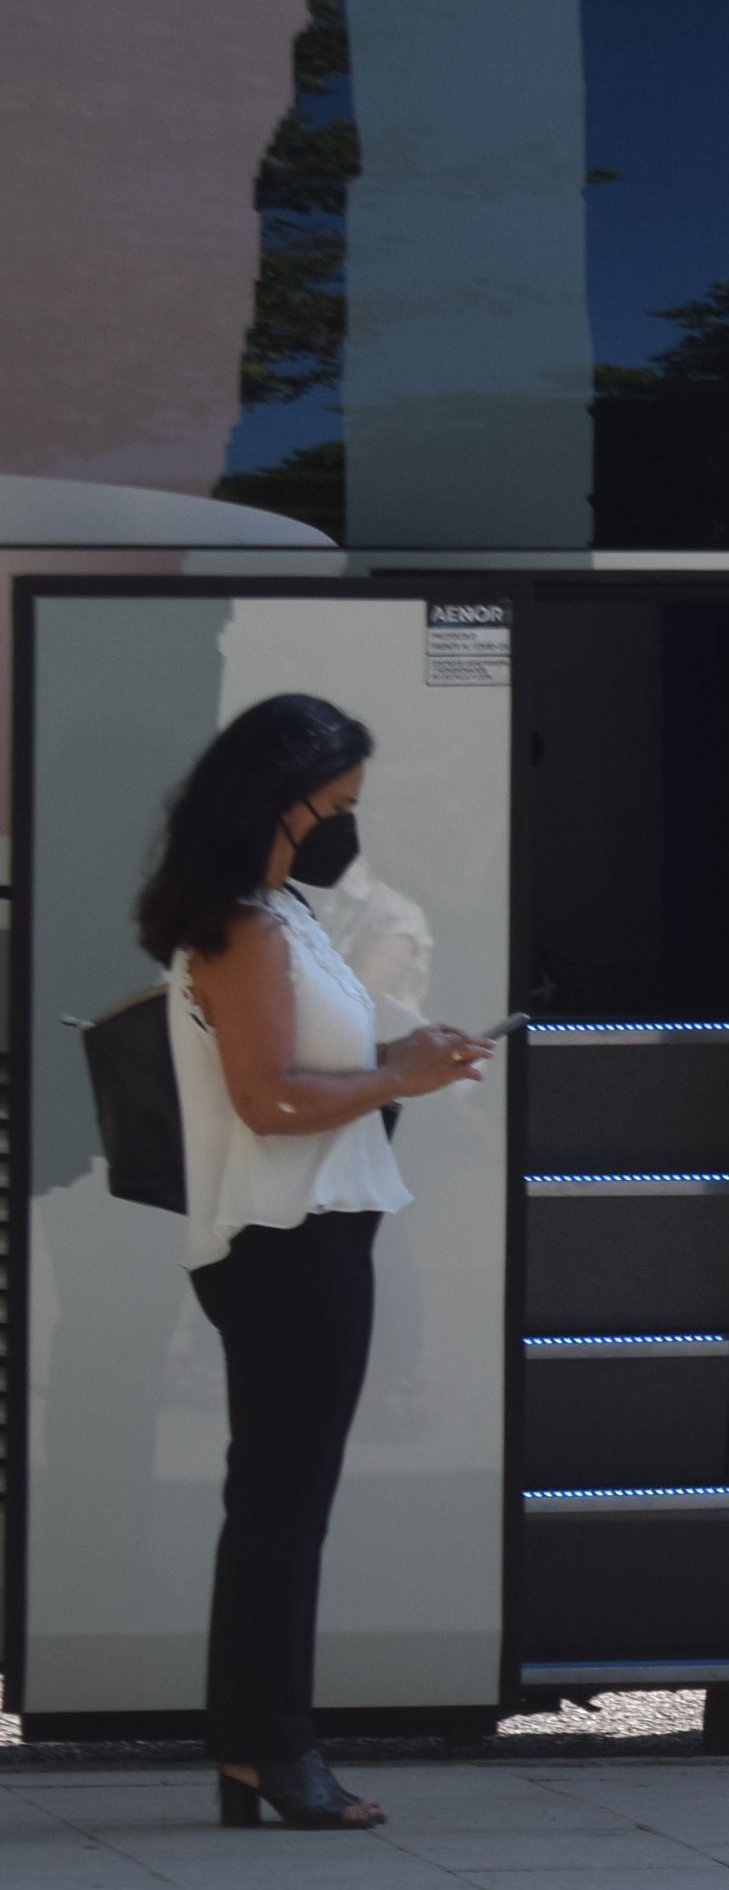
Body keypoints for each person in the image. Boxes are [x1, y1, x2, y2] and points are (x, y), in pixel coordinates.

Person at [136, 694, 495, 1829]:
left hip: (305, 1236)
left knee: (281, 1502)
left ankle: (260, 1749)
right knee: (286, 1509)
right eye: (339, 799)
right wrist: (405, 1078)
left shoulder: (273, 912)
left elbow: (301, 1072)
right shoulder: (245, 924)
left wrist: (402, 1055)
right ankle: (271, 1749)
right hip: (288, 1242)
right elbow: (271, 1097)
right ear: (287, 797)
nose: (348, 817)